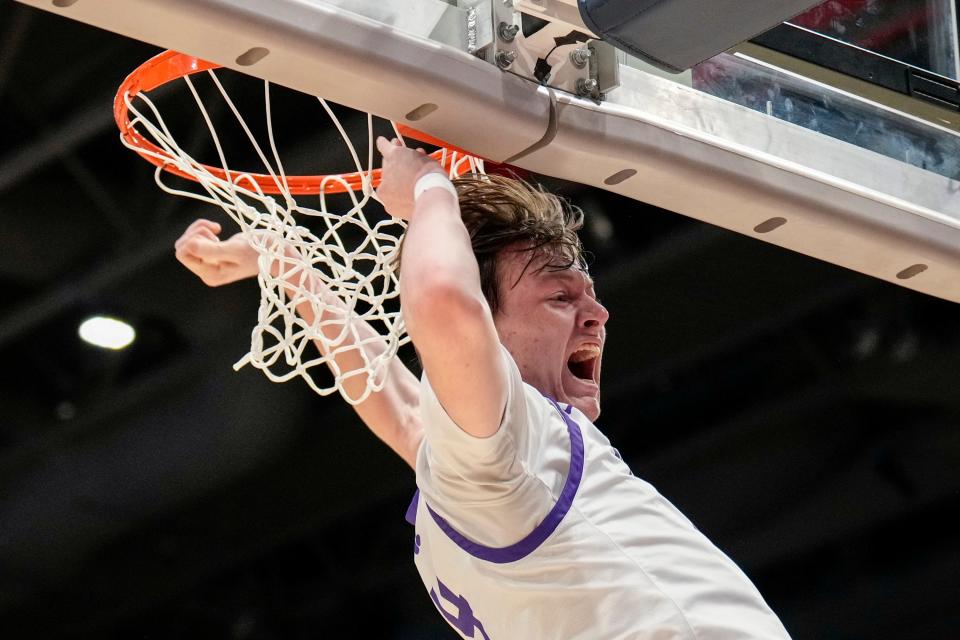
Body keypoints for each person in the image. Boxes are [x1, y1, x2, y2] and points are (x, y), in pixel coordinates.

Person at [175, 137, 792, 639]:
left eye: (590, 296)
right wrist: (427, 190)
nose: (598, 314)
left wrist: (290, 263)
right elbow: (441, 308)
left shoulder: (493, 456)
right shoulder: (496, 450)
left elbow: (402, 411)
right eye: (560, 295)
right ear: (487, 323)